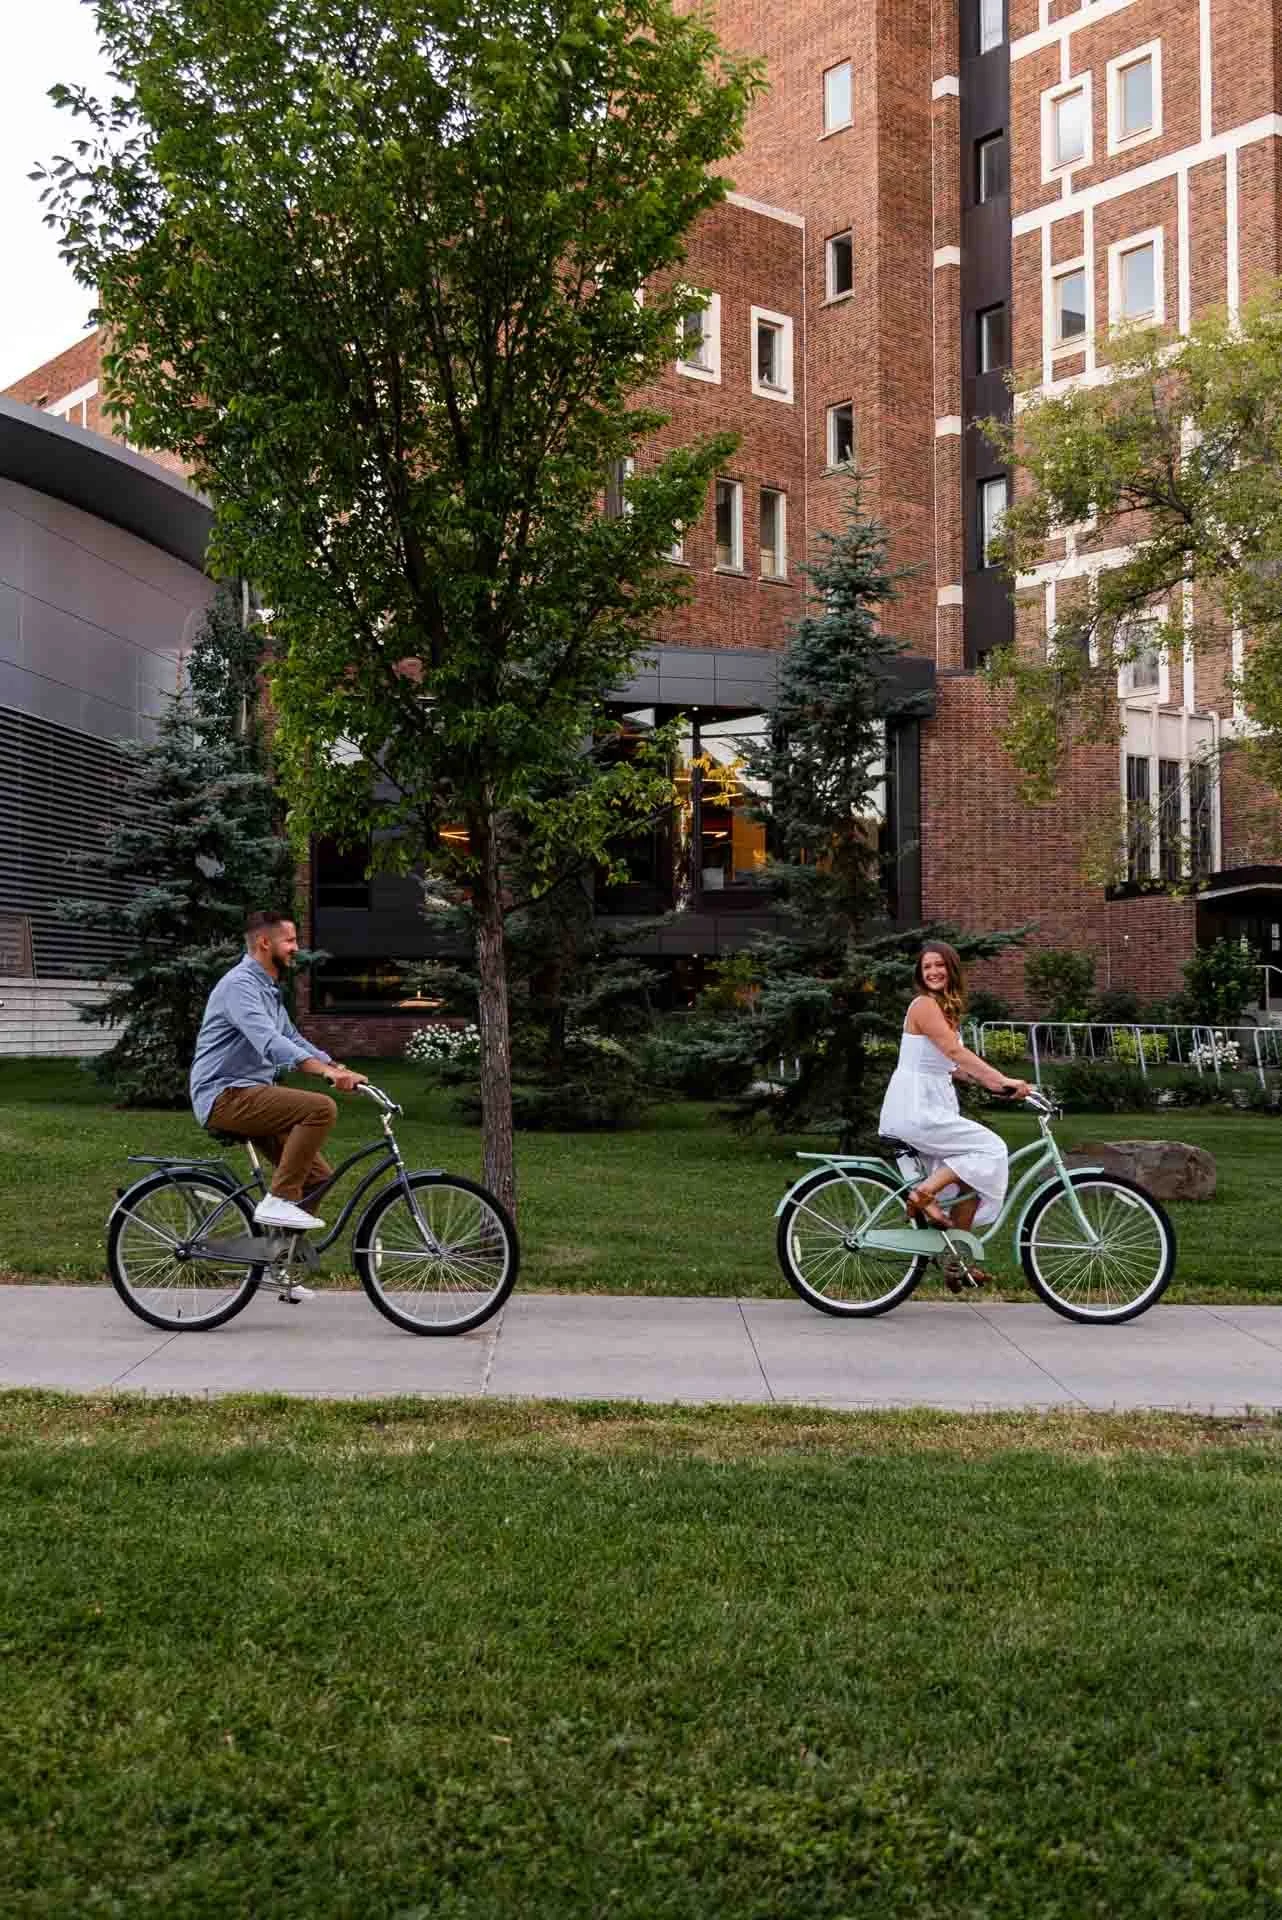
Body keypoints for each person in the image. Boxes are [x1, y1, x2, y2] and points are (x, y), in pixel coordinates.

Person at [189, 911, 367, 1231]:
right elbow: (270, 1042)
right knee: (321, 1108)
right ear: (263, 943)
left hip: (250, 1092)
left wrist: (336, 1066)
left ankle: (281, 1264)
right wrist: (323, 1074)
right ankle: (279, 1199)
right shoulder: (239, 987)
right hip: (224, 1093)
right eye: (290, 940)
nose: (296, 947)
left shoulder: (267, 989)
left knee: (317, 1179)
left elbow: (291, 1037)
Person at [878, 942, 1031, 1287]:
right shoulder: (924, 1005)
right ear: (920, 974)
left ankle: (957, 1262)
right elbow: (953, 1050)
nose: (933, 972)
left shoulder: (945, 1009)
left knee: (971, 1181)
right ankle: (923, 1193)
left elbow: (951, 1066)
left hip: (929, 1101)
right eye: (927, 967)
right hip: (916, 1105)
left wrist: (995, 1086)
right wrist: (1001, 1078)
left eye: (939, 965)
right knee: (991, 1149)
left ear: (951, 969)